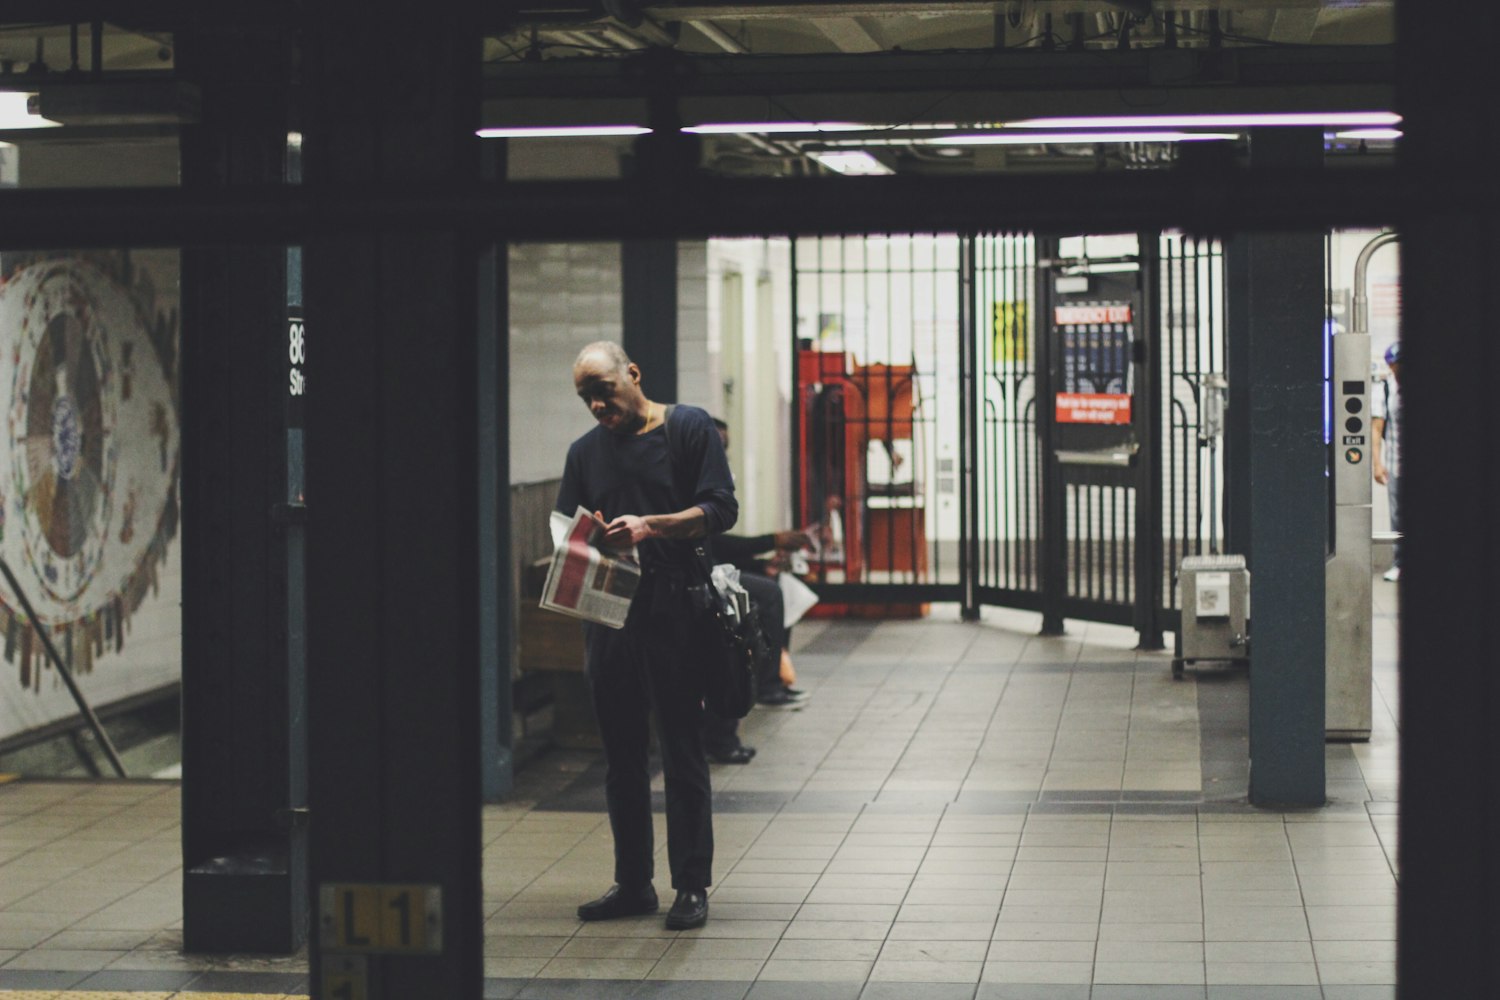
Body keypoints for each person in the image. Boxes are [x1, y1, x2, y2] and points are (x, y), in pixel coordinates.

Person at [555, 341, 737, 931]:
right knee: (622, 757)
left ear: (633, 373)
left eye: (604, 389)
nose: (596, 404)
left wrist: (650, 526)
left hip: (674, 609)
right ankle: (633, 883)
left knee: (681, 749)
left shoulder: (688, 429)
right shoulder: (585, 453)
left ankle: (691, 884)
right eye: (586, 397)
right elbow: (568, 531)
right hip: (610, 614)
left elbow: (720, 508)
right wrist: (589, 539)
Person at [1372, 340, 1402, 583]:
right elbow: (1377, 428)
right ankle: (1400, 563)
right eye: (1393, 366)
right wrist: (1377, 464)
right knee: (1398, 516)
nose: (1396, 370)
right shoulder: (1386, 389)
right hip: (1396, 464)